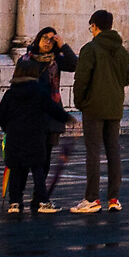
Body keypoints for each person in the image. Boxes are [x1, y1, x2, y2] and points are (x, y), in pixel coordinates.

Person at [72, 9, 129, 214]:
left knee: (93, 152)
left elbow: (81, 79)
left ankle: (92, 198)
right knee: (113, 151)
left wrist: (80, 102)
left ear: (94, 25)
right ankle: (113, 198)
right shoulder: (121, 51)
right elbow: (126, 79)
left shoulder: (90, 49)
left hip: (94, 107)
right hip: (114, 107)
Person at [0, 56, 71, 217]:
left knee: (16, 170)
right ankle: (42, 200)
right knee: (38, 170)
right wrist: (68, 118)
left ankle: (15, 202)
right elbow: (52, 109)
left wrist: (8, 128)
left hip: (15, 137)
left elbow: (1, 115)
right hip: (35, 136)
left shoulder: (10, 94)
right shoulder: (39, 92)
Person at [25, 27, 80, 210]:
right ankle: (36, 198)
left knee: (46, 158)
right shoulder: (27, 59)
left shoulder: (56, 60)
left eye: (51, 39)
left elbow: (75, 64)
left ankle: (38, 198)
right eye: (44, 38)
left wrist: (63, 45)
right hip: (34, 113)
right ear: (37, 39)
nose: (48, 42)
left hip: (52, 115)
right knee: (38, 158)